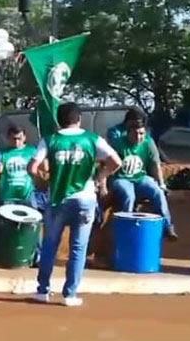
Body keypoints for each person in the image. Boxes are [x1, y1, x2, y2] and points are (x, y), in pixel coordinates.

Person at [28, 102, 122, 307]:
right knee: (78, 248)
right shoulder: (92, 139)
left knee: (49, 245)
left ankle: (43, 290)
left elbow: (33, 166)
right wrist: (100, 177)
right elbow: (116, 161)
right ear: (79, 119)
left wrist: (42, 183)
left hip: (57, 199)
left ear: (59, 121)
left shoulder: (50, 140)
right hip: (85, 198)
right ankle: (69, 294)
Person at [0, 124, 46, 266]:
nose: (17, 142)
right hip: (6, 195)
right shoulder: (0, 153)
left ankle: (37, 255)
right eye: (14, 139)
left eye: (20, 139)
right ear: (8, 139)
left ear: (25, 138)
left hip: (26, 194)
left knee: (34, 224)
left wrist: (44, 164)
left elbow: (43, 169)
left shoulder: (32, 151)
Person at [109, 115, 178, 240]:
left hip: (140, 177)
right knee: (128, 195)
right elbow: (107, 163)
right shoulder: (118, 144)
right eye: (135, 133)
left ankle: (167, 226)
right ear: (127, 133)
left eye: (141, 133)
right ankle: (126, 228)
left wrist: (162, 184)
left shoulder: (148, 142)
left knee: (157, 192)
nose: (138, 137)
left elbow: (155, 164)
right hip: (121, 178)